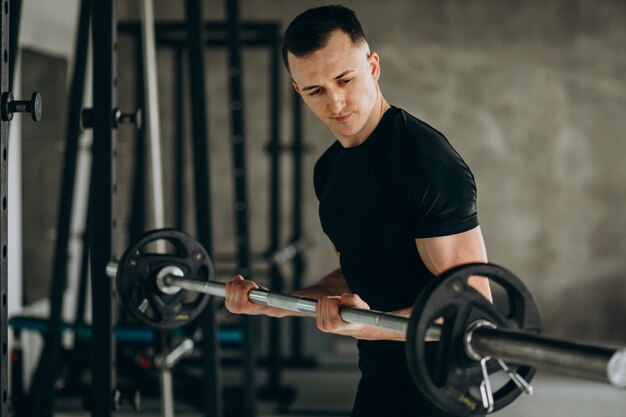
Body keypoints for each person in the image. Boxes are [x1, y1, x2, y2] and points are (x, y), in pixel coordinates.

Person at [225, 5, 492, 416]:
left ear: (373, 66)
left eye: (344, 79)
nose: (334, 102)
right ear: (298, 91)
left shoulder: (423, 162)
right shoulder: (329, 171)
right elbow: (361, 271)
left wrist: (369, 325)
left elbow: (471, 307)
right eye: (315, 90)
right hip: (379, 378)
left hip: (443, 388)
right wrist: (275, 303)